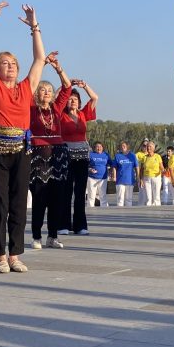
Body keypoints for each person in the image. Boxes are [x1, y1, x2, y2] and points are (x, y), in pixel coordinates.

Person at [0, 1, 46, 273]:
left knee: (19, 201)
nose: (10, 66)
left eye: (13, 63)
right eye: (4, 63)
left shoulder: (25, 88)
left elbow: (40, 59)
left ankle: (16, 254)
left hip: (21, 149)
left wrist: (34, 27)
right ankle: (0, 256)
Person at [51, 65, 98, 233]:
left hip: (82, 156)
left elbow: (94, 98)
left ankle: (80, 225)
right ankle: (63, 224)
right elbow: (55, 99)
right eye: (70, 99)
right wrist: (66, 85)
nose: (73, 101)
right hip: (66, 155)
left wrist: (84, 87)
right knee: (66, 190)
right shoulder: (60, 115)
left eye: (76, 100)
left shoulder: (84, 114)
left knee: (80, 191)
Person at [28, 69, 70, 249]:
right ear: (37, 93)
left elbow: (67, 87)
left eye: (50, 90)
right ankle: (36, 236)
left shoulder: (56, 108)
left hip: (58, 156)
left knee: (57, 199)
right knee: (39, 198)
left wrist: (58, 68)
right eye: (43, 89)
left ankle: (52, 236)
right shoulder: (30, 108)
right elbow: (28, 86)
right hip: (38, 156)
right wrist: (41, 63)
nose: (47, 92)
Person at [112, 141, 139, 206]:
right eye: (121, 146)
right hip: (120, 180)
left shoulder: (132, 155)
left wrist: (138, 177)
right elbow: (114, 167)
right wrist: (114, 176)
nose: (122, 147)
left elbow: (137, 167)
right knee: (120, 199)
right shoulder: (118, 156)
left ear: (127, 146)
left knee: (129, 199)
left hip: (130, 180)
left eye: (124, 145)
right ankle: (119, 213)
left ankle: (128, 214)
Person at [87, 142, 110, 208]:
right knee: (91, 195)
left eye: (100, 146)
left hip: (103, 178)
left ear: (102, 148)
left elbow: (111, 164)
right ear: (94, 148)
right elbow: (85, 165)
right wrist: (90, 169)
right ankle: (90, 209)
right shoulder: (90, 155)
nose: (99, 148)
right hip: (92, 178)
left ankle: (104, 209)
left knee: (103, 195)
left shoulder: (106, 155)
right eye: (97, 146)